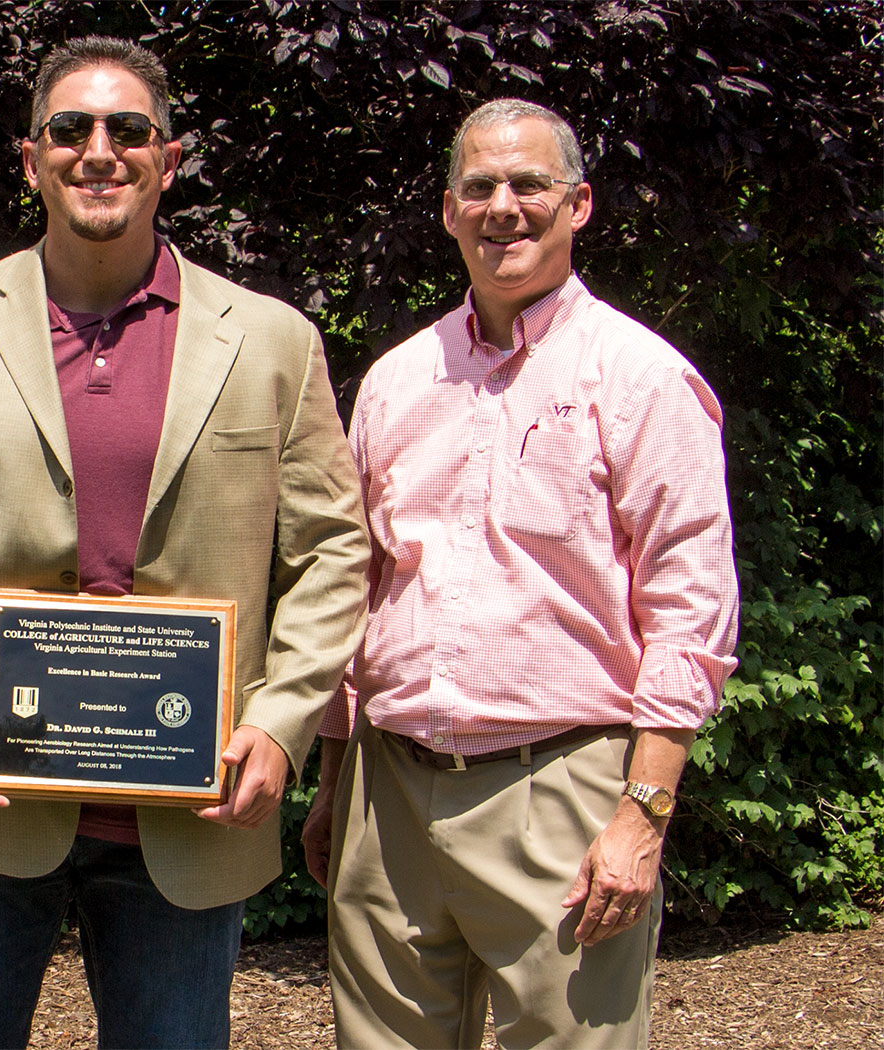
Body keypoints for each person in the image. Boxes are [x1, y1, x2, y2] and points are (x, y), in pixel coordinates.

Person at [0, 35, 369, 1050]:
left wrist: (284, 720)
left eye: (129, 129)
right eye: (70, 128)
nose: (100, 149)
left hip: (190, 808)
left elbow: (333, 554)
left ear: (169, 160)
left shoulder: (272, 341)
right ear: (29, 157)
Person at [301, 98, 740, 1049]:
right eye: (480, 187)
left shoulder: (641, 379)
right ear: (450, 211)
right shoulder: (396, 381)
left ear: (578, 204)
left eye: (529, 184)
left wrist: (645, 811)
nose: (504, 206)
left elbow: (692, 606)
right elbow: (358, 589)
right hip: (391, 790)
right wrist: (337, 781)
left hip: (563, 788)